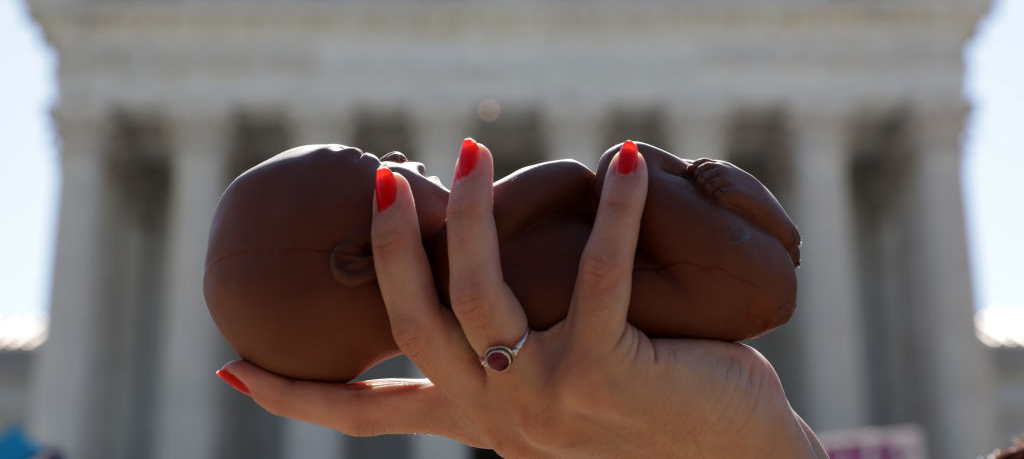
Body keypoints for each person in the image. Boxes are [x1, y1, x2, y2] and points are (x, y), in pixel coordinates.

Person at [215, 140, 828, 457]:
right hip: (719, 269)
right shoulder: (474, 239)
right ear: (356, 260)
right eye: (379, 163)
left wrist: (753, 445)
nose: (403, 158)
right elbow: (564, 178)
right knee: (629, 167)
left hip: (716, 277)